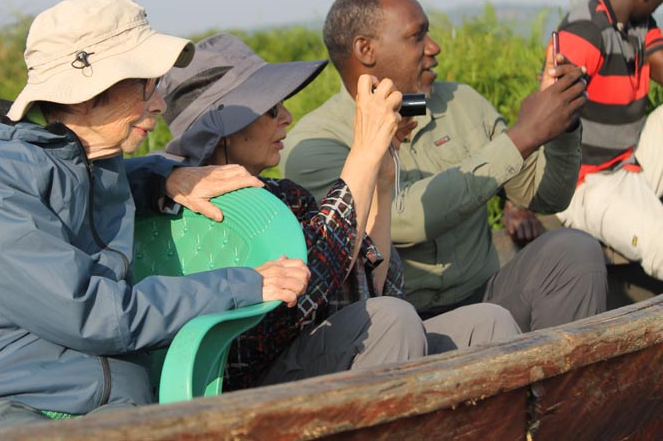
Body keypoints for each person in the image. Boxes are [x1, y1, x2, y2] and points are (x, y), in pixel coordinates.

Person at [0, 0, 310, 437]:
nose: (159, 104)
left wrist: (164, 177)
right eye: (146, 86)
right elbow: (91, 313)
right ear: (89, 93)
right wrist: (240, 284)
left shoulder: (89, 159)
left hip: (110, 403)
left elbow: (83, 183)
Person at [159, 33, 520, 390]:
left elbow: (374, 291)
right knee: (390, 322)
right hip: (252, 385)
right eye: (271, 109)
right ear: (224, 130)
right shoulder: (193, 213)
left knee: (487, 323)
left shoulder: (286, 196)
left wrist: (380, 177)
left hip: (318, 357)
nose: (286, 116)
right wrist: (361, 152)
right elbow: (305, 289)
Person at [282, 0, 609, 332]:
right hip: (395, 328)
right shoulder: (313, 143)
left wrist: (560, 125)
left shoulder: (462, 102)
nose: (434, 48)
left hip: (485, 295)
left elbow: (546, 197)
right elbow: (404, 219)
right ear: (366, 50)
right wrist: (522, 137)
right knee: (440, 324)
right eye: (416, 36)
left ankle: (566, 385)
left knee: (575, 250)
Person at [552, 0, 663, 280]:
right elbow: (547, 116)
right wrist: (518, 200)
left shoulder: (640, 23)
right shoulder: (585, 30)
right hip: (589, 183)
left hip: (629, 161)